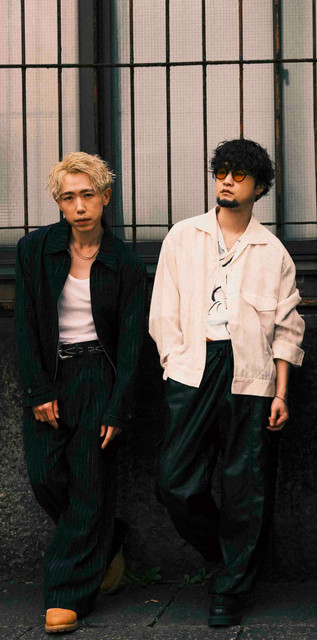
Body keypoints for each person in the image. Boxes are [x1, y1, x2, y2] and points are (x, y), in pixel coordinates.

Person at [149, 138, 305, 627]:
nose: (227, 182)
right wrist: (175, 360)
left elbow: (287, 328)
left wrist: (281, 392)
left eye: (239, 175)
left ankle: (231, 586)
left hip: (252, 374)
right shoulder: (183, 236)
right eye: (221, 173)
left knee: (247, 485)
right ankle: (226, 555)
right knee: (174, 480)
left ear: (259, 187)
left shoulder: (272, 252)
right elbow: (163, 309)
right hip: (192, 367)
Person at [15, 152, 146, 633]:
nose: (79, 206)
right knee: (44, 477)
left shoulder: (124, 262)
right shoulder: (35, 250)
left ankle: (66, 595)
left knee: (89, 487)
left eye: (88, 195)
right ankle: (107, 541)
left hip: (98, 378)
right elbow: (26, 324)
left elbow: (131, 345)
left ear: (105, 197)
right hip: (51, 375)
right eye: (68, 197)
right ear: (58, 203)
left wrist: (117, 407)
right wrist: (37, 388)